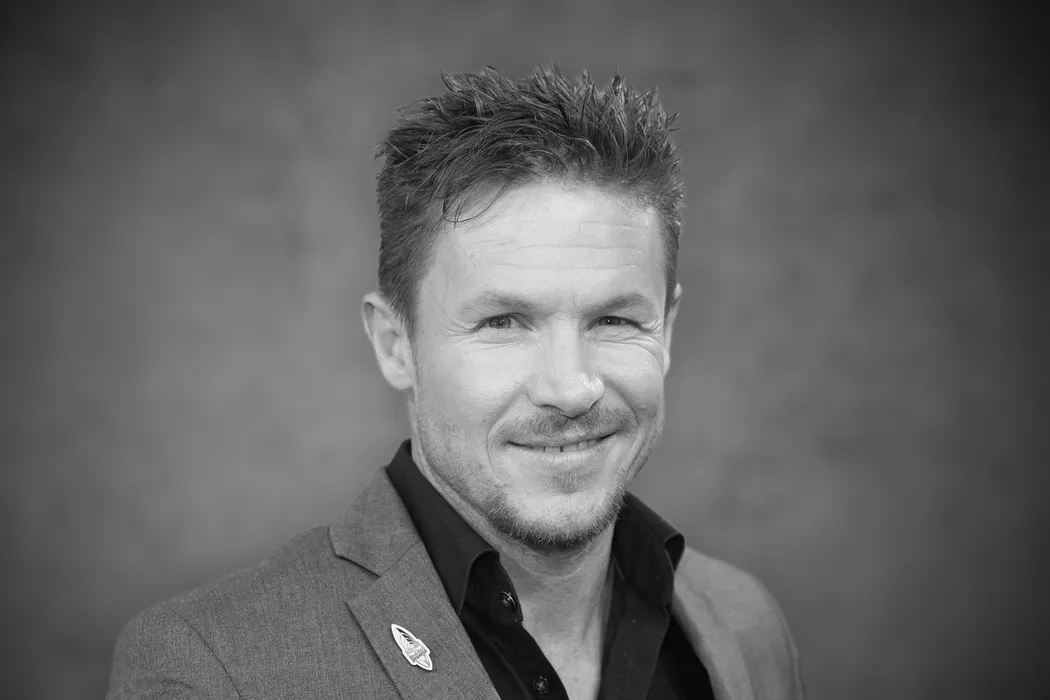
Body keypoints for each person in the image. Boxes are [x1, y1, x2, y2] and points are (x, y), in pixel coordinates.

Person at [107, 65, 803, 700]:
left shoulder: (743, 625)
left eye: (615, 320)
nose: (570, 388)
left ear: (667, 331)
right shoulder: (214, 668)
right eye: (503, 322)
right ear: (396, 345)